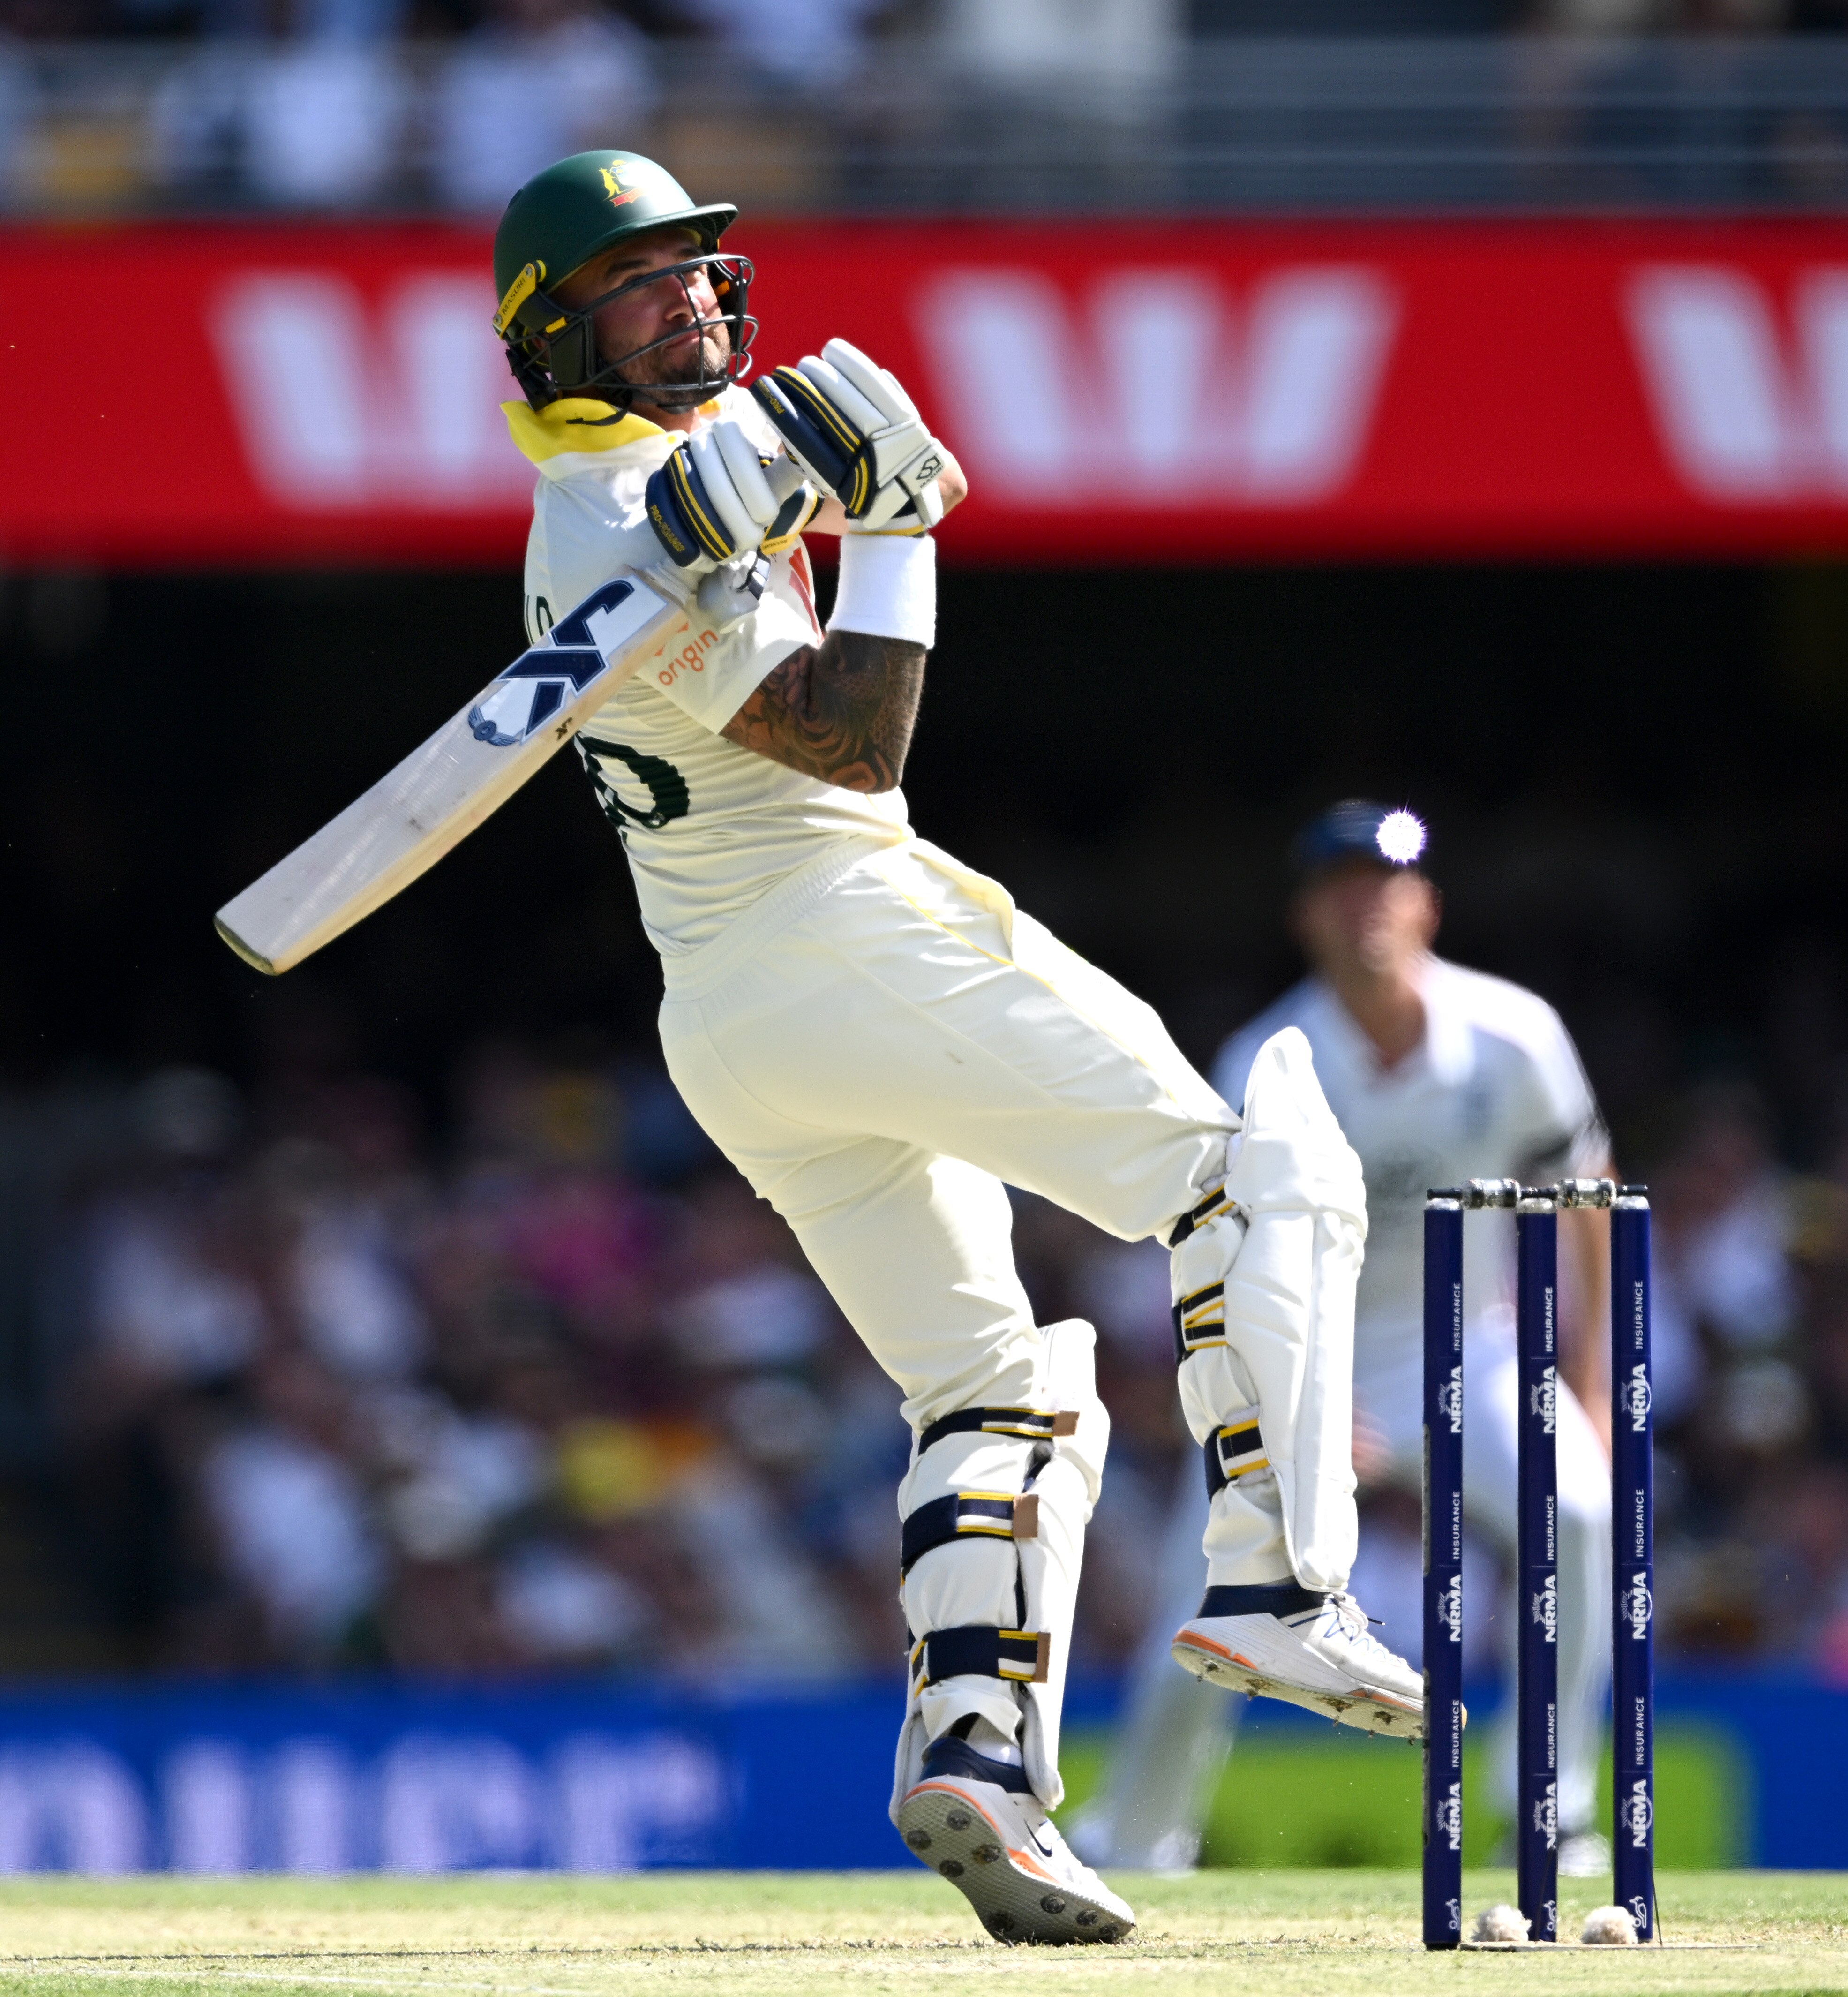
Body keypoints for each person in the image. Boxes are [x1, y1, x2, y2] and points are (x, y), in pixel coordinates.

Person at [488, 154, 1421, 1943]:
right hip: (844, 931)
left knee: (998, 1385)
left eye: (695, 269)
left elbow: (742, 501)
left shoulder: (652, 486)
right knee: (1250, 1175)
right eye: (636, 284)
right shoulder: (612, 516)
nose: (688, 300)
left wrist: (800, 479)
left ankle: (978, 1756)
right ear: (553, 335)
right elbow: (853, 746)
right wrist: (897, 524)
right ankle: (1281, 1581)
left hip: (731, 1023)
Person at [1069, 800, 1616, 1877]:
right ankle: (1136, 1840)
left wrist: (1590, 1387)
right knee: (1209, 1601)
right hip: (1307, 1371)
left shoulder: (1515, 1037)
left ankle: (1551, 1811)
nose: (1366, 905)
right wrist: (1297, 1412)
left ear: (1428, 907)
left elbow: (1586, 1200)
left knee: (1585, 1507)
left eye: (1387, 884)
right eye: (1341, 887)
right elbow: (1225, 1263)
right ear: (1306, 917)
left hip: (1471, 1354)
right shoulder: (1266, 1059)